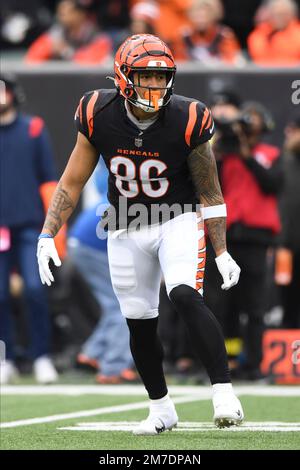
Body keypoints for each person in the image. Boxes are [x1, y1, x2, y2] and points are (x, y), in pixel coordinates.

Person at [36, 34, 244, 435]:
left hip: (177, 218)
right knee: (138, 321)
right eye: (146, 76)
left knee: (183, 292)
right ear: (123, 76)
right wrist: (48, 234)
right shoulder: (97, 110)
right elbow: (72, 180)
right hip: (125, 224)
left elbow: (209, 191)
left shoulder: (189, 116)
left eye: (161, 77)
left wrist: (221, 251)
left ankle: (223, 392)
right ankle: (161, 407)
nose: (155, 85)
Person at [206, 100, 283, 380]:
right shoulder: (225, 154)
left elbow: (272, 183)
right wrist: (218, 150)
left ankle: (255, 364)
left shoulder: (270, 153)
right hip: (226, 237)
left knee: (254, 306)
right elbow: (210, 184)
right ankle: (225, 364)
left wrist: (247, 154)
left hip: (256, 239)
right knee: (221, 305)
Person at [0, 74, 63, 384]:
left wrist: (53, 231)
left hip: (29, 226)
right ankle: (5, 357)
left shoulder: (33, 129)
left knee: (35, 291)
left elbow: (49, 181)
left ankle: (41, 356)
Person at [68, 161, 136, 383]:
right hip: (90, 247)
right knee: (124, 305)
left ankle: (92, 353)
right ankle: (113, 368)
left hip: (82, 242)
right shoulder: (138, 196)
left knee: (115, 304)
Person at [25, 0, 112, 64]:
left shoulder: (96, 36)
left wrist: (66, 51)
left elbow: (93, 62)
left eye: (65, 13)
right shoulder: (57, 33)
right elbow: (32, 57)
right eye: (60, 13)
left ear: (80, 14)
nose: (61, 17)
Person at [276, 115, 300, 328]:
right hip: (286, 244)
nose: (288, 135)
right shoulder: (282, 162)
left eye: (293, 130)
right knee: (286, 293)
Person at [248, 0, 300, 66]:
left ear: (292, 15)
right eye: (276, 14)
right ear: (270, 15)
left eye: (283, 14)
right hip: (266, 74)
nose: (280, 18)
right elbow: (259, 57)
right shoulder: (259, 35)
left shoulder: (298, 34)